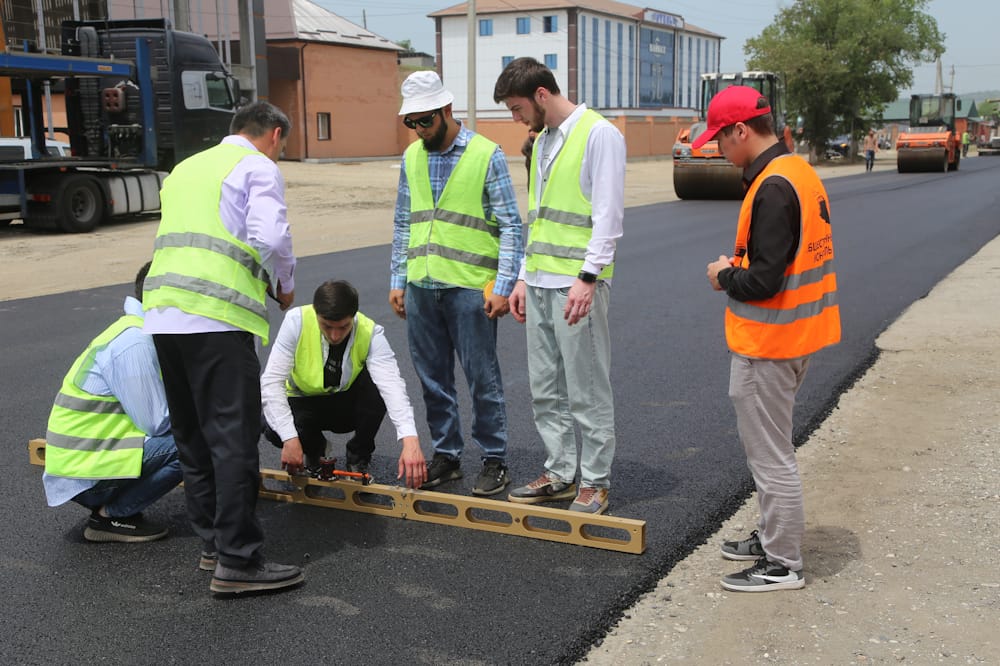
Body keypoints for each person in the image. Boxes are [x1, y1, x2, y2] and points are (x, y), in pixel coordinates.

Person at [142, 101, 303, 596]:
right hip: (217, 317)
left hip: (163, 314)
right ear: (274, 135)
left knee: (192, 436)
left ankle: (212, 544)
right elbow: (270, 235)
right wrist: (285, 283)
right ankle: (239, 561)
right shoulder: (257, 166)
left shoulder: (185, 169)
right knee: (232, 438)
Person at [701, 86, 841, 592]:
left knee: (770, 456)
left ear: (741, 130)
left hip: (769, 344)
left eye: (720, 138)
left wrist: (723, 274)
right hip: (793, 336)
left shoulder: (773, 187)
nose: (718, 149)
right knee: (770, 449)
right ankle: (771, 536)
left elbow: (763, 281)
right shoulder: (797, 171)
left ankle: (782, 563)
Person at [493, 57, 626, 515]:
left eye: (517, 108)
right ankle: (560, 472)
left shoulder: (599, 135)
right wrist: (522, 277)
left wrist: (588, 278)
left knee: (586, 389)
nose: (516, 118)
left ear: (541, 94)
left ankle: (595, 482)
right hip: (539, 281)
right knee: (545, 388)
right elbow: (539, 218)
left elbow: (608, 217)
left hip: (576, 286)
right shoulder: (544, 140)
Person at [389, 71, 524, 497]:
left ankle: (494, 459)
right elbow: (403, 222)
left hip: (470, 288)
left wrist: (503, 285)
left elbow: (511, 226)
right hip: (421, 286)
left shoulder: (486, 154)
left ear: (447, 109)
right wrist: (398, 279)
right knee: (432, 378)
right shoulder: (412, 157)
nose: (419, 129)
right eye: (411, 122)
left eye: (425, 120)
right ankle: (446, 456)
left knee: (482, 377)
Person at [43, 262, 181, 543]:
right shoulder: (135, 342)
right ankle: (113, 516)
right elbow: (156, 423)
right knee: (195, 443)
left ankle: (117, 508)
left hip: (83, 463)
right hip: (85, 473)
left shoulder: (131, 331)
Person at [261, 279, 427, 488]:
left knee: (379, 386)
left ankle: (358, 455)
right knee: (271, 425)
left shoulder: (370, 331)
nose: (335, 335)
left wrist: (410, 440)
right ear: (316, 313)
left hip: (344, 406)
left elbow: (392, 385)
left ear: (354, 316)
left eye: (343, 327)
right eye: (327, 326)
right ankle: (314, 448)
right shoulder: (296, 321)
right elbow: (272, 381)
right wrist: (289, 438)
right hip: (302, 403)